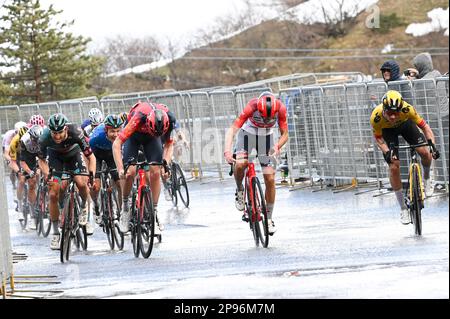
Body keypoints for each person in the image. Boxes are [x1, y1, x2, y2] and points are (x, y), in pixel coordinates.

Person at [370, 90, 440, 224]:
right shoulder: (376, 117)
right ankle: (403, 208)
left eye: (395, 113)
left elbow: (425, 128)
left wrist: (432, 145)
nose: (392, 117)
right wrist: (387, 152)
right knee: (394, 166)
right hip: (388, 131)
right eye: (389, 113)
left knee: (425, 153)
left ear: (401, 109)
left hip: (406, 125)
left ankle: (426, 179)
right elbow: (379, 140)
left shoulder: (408, 109)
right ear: (383, 109)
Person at [223, 92, 289, 235]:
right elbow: (232, 130)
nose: (266, 120)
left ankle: (269, 219)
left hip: (266, 138)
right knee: (240, 164)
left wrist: (277, 146)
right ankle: (240, 189)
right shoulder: (251, 106)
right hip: (247, 134)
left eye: (269, 118)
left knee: (270, 178)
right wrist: (227, 152)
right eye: (264, 117)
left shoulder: (281, 109)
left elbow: (285, 134)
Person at [112, 102, 176, 234]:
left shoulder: (170, 119)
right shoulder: (138, 117)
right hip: (134, 136)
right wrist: (120, 169)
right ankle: (125, 208)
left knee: (156, 172)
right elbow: (117, 144)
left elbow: (169, 145)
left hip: (152, 139)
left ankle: (154, 213)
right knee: (130, 172)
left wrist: (165, 164)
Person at [38, 114, 96, 250]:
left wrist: (92, 174)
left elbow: (91, 157)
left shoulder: (76, 132)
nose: (57, 136)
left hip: (73, 155)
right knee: (54, 193)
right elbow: (41, 160)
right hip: (55, 157)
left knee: (81, 183)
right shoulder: (45, 137)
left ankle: (83, 208)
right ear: (50, 131)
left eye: (60, 133)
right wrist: (48, 174)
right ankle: (56, 233)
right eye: (54, 133)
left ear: (66, 129)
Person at [89, 114, 124, 225]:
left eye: (118, 131)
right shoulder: (96, 137)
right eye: (112, 131)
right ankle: (96, 205)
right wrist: (91, 174)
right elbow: (88, 155)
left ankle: (121, 211)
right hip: (96, 155)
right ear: (106, 130)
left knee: (120, 183)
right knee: (96, 186)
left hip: (112, 155)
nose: (116, 134)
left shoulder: (122, 136)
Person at [19, 125, 44, 229]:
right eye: (34, 140)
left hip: (40, 155)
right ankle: (32, 213)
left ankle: (44, 196)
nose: (35, 142)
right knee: (31, 182)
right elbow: (22, 161)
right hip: (28, 158)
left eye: (37, 140)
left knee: (44, 174)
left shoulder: (44, 140)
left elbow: (45, 158)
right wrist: (29, 172)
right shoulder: (24, 141)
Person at [9, 126, 29, 219]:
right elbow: (12, 162)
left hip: (28, 156)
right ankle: (20, 207)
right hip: (17, 157)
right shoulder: (14, 142)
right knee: (21, 180)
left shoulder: (31, 140)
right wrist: (18, 171)